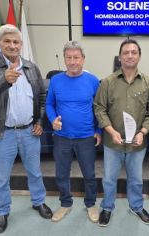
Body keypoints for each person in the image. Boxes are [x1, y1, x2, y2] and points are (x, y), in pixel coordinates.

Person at [0, 24, 52, 234]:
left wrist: (40, 122)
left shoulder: (31, 67)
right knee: (2, 177)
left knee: (35, 172)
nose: (12, 45)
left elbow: (42, 98)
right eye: (7, 41)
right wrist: (3, 81)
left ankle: (38, 202)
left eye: (16, 42)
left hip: (29, 131)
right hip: (3, 133)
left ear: (21, 44)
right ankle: (2, 211)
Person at [94, 39, 149, 226]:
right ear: (120, 57)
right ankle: (107, 207)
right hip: (112, 142)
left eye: (133, 52)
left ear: (139, 56)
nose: (130, 56)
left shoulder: (148, 84)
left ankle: (136, 206)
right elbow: (99, 108)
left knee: (136, 180)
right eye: (126, 52)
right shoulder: (107, 82)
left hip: (137, 144)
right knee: (109, 179)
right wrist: (110, 130)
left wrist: (143, 132)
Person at [45, 41, 101, 223]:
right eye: (68, 58)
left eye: (76, 57)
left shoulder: (93, 81)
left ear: (83, 59)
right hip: (62, 137)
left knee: (89, 174)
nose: (72, 61)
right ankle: (65, 203)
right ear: (64, 60)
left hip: (86, 137)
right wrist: (53, 119)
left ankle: (91, 204)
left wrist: (99, 130)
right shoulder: (55, 80)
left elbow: (100, 108)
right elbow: (49, 104)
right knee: (61, 173)